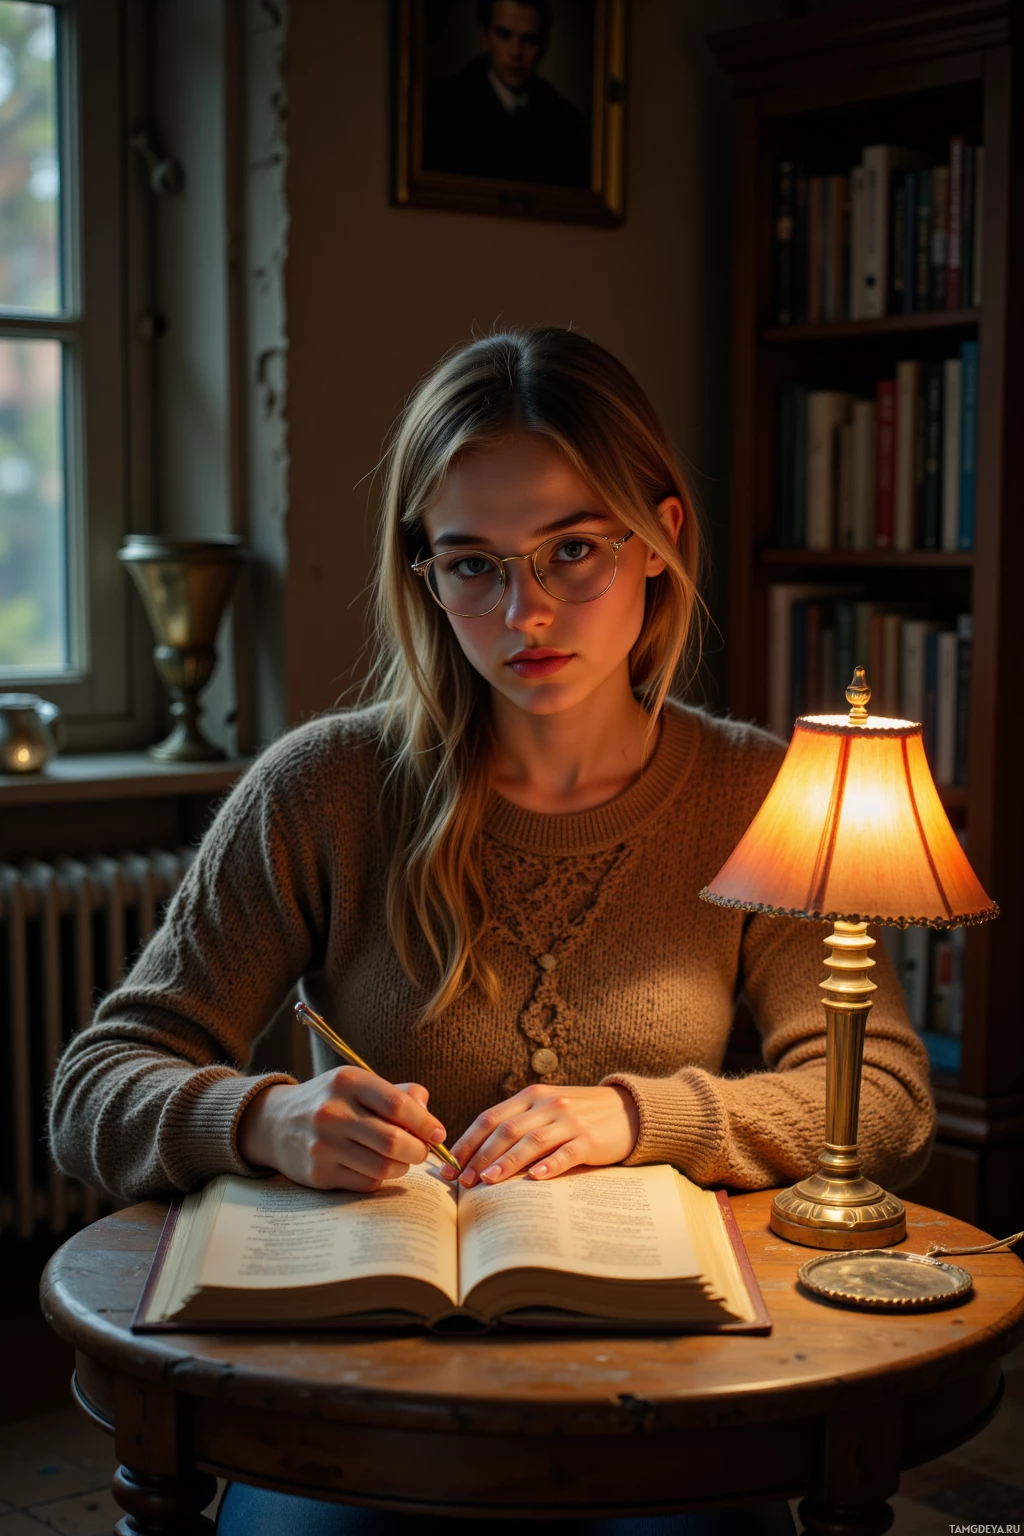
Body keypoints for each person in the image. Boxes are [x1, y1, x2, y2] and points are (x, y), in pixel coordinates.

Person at [49, 327, 935, 1535]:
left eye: (573, 549)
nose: (524, 610)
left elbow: (878, 1095)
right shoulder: (326, 790)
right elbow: (92, 1086)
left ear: (661, 536)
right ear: (423, 570)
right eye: (470, 564)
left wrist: (636, 1114)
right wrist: (268, 1116)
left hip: (668, 1395)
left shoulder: (754, 797)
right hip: (364, 1400)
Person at [423, 0, 590, 187]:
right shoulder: (440, 107)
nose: (516, 52)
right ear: (484, 36)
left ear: (544, 45)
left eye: (529, 39)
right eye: (504, 35)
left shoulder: (568, 124)